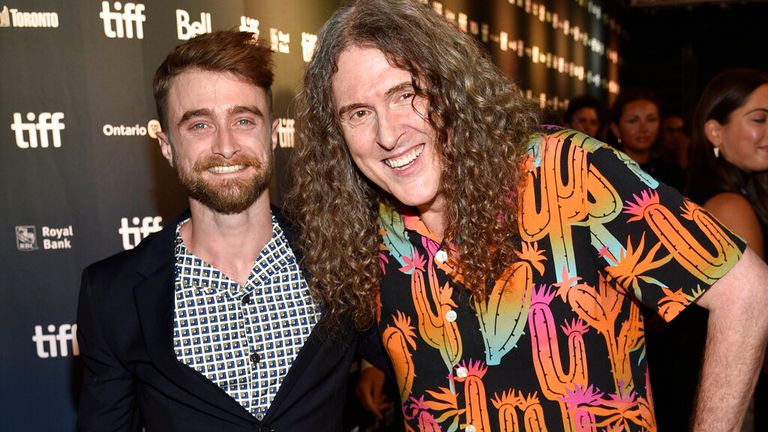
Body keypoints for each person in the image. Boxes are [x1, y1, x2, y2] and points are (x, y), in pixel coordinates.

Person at [288, 1, 768, 431]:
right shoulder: (366, 229)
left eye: (405, 93)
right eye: (357, 113)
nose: (388, 133)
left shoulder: (570, 173)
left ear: (451, 87)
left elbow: (747, 293)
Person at [76, 31, 368, 431]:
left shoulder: (340, 255)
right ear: (167, 146)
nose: (226, 146)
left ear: (271, 132)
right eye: (199, 125)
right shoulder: (114, 294)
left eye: (244, 120)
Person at [652, 68, 768, 432]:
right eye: (759, 119)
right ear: (715, 131)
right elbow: (756, 316)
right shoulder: (731, 206)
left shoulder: (725, 197)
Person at [609, 88, 685, 191]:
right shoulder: (606, 172)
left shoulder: (673, 174)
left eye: (651, 119)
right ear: (616, 129)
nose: (643, 128)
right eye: (633, 121)